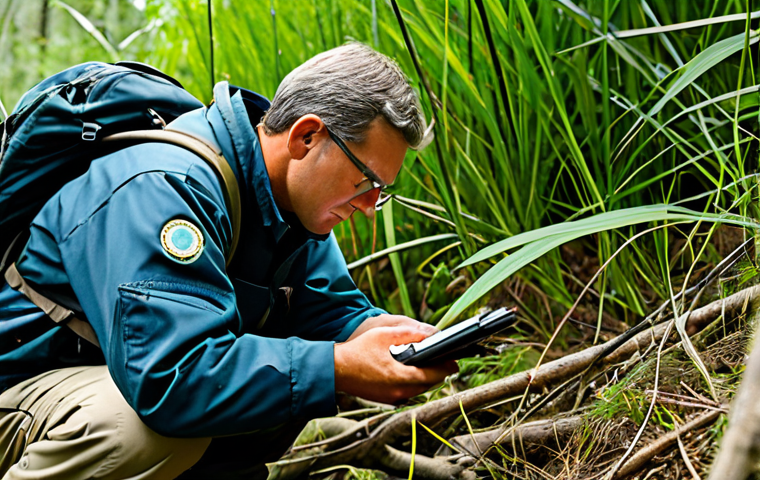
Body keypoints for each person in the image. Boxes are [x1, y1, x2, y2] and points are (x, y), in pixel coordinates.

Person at [0, 43, 456, 479]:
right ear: (306, 136)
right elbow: (171, 378)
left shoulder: (292, 205)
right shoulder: (166, 185)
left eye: (382, 189)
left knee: (276, 376)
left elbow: (331, 314)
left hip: (94, 383)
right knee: (138, 434)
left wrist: (381, 339)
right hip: (23, 388)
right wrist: (339, 366)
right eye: (366, 180)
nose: (371, 206)